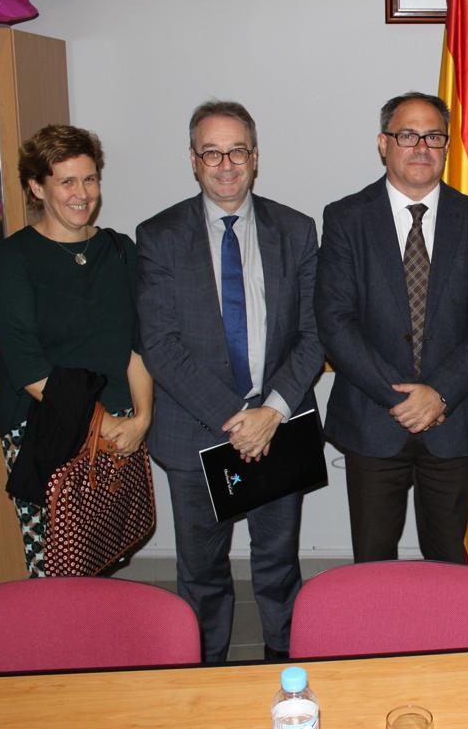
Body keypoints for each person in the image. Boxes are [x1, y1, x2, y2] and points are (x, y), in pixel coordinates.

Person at [136, 101, 322, 662]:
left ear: (255, 158)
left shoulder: (295, 229)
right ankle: (205, 676)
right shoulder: (159, 235)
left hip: (278, 428)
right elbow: (160, 345)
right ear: (193, 161)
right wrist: (238, 419)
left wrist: (271, 413)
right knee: (202, 575)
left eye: (237, 150)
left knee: (277, 569)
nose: (225, 164)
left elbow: (316, 333)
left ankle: (284, 673)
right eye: (211, 152)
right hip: (198, 434)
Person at [315, 92, 468, 565]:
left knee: (447, 557)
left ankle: (447, 641)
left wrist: (438, 394)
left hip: (452, 417)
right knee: (373, 558)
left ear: (446, 146)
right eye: (407, 135)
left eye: (434, 136)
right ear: (384, 144)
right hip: (373, 418)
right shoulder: (345, 218)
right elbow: (335, 323)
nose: (421, 146)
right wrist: (402, 398)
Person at [0, 124, 153, 577]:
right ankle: (56, 647)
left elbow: (137, 346)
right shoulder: (12, 260)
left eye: (90, 178)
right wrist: (104, 424)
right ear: (36, 186)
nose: (81, 193)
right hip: (47, 430)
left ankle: (98, 645)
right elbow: (28, 366)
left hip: (119, 429)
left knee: (104, 556)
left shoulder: (120, 251)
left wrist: (142, 418)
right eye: (66, 181)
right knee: (57, 568)